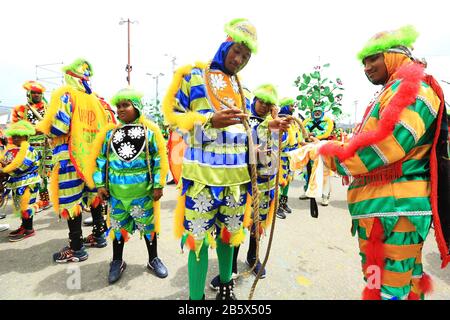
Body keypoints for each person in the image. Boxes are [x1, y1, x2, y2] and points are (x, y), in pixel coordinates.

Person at [319, 25, 450, 300]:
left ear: (393, 56)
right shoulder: (395, 89)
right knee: (388, 281)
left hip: (396, 211)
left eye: (373, 59)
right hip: (383, 208)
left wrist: (330, 154)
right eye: (364, 62)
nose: (367, 68)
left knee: (391, 289)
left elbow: (383, 145)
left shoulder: (414, 89)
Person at [164, 18, 290, 300]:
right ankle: (195, 300)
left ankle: (225, 289)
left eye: (246, 57)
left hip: (236, 182)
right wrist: (209, 121)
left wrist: (267, 128)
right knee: (197, 243)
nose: (240, 59)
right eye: (237, 51)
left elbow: (246, 134)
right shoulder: (193, 76)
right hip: (201, 181)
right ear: (225, 44)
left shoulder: (242, 90)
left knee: (229, 238)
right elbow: (172, 121)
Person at [209, 84, 290, 290]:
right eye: (260, 101)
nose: (263, 106)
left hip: (267, 183)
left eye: (268, 103)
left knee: (258, 223)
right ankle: (231, 267)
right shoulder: (243, 120)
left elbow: (284, 143)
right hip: (243, 181)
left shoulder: (276, 122)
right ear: (253, 100)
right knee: (236, 223)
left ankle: (253, 256)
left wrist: (275, 122)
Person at [87, 87, 169, 283]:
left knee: (148, 228)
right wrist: (100, 185)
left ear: (137, 107)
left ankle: (153, 258)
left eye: (126, 105)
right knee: (117, 228)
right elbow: (101, 160)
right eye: (118, 106)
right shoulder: (110, 134)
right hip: (116, 194)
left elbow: (158, 159)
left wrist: (158, 185)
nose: (121, 110)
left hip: (142, 192)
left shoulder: (149, 133)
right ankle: (117, 260)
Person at [36, 58, 109, 263]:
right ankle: (99, 235)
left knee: (71, 201)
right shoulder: (95, 99)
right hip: (91, 157)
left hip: (69, 156)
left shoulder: (67, 96)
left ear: (69, 77)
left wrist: (43, 128)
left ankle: (76, 248)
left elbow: (59, 127)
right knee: (94, 196)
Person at [11, 81, 52, 212]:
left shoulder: (48, 108)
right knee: (28, 175)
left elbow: (52, 125)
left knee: (44, 174)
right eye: (33, 92)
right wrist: (36, 129)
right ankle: (28, 202)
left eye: (39, 93)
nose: (36, 95)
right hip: (28, 148)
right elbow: (16, 129)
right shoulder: (21, 109)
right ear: (28, 93)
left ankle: (45, 200)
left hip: (45, 147)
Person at [0, 121, 41, 241]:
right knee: (19, 205)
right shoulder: (12, 150)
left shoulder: (30, 151)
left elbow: (20, 167)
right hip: (16, 184)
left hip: (29, 183)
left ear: (26, 136)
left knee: (26, 205)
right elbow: (6, 163)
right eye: (14, 136)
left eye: (19, 136)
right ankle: (24, 226)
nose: (16, 138)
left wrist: (4, 171)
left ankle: (29, 229)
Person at [302, 106, 334, 205]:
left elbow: (327, 133)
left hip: (322, 149)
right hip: (309, 148)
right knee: (307, 171)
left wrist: (314, 136)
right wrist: (307, 135)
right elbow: (302, 132)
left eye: (319, 111)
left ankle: (325, 196)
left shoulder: (328, 121)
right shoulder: (307, 121)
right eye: (315, 111)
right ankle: (308, 192)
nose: (317, 113)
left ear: (322, 112)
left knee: (324, 172)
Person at [277, 98, 303, 218]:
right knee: (280, 182)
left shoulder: (293, 122)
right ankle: (276, 206)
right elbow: (280, 142)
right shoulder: (279, 121)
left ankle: (283, 203)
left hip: (291, 158)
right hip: (281, 158)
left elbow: (298, 139)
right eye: (291, 105)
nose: (294, 108)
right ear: (285, 106)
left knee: (288, 181)